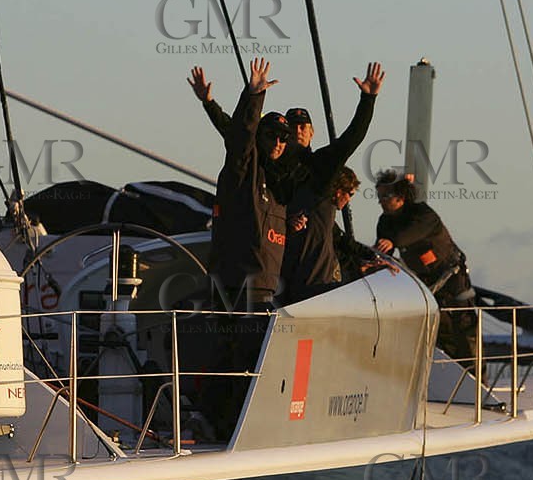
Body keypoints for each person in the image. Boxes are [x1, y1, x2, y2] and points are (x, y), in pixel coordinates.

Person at [189, 62, 383, 205]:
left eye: (303, 126)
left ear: (312, 132)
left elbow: (351, 139)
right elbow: (236, 134)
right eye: (291, 128)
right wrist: (209, 103)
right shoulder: (264, 159)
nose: (297, 131)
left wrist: (368, 99)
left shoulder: (320, 166)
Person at [207, 58, 288, 309]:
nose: (277, 142)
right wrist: (254, 96)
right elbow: (241, 136)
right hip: (233, 286)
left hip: (267, 287)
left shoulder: (285, 180)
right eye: (271, 135)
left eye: (284, 138)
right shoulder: (244, 169)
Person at [374, 169, 477, 363]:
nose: (381, 201)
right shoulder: (385, 222)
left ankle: (476, 378)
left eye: (386, 195)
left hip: (452, 276)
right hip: (426, 282)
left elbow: (411, 233)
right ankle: (449, 374)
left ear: (401, 196)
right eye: (378, 196)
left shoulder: (422, 213)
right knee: (439, 329)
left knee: (465, 325)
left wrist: (393, 241)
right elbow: (384, 250)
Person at [282, 166, 387, 302]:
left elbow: (344, 241)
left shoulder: (328, 220)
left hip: (319, 283)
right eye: (350, 194)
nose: (349, 200)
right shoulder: (318, 205)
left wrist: (372, 256)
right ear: (338, 191)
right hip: (308, 285)